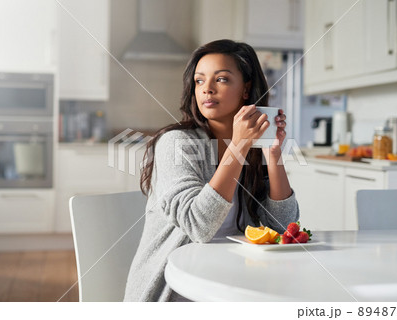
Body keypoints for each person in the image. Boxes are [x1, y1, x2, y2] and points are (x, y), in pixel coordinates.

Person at [123, 39, 299, 302]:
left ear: (246, 89)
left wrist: (273, 156)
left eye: (222, 79)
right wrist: (238, 146)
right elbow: (199, 226)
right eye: (199, 81)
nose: (207, 89)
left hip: (234, 282)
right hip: (177, 292)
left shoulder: (251, 149)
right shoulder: (177, 143)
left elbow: (284, 229)